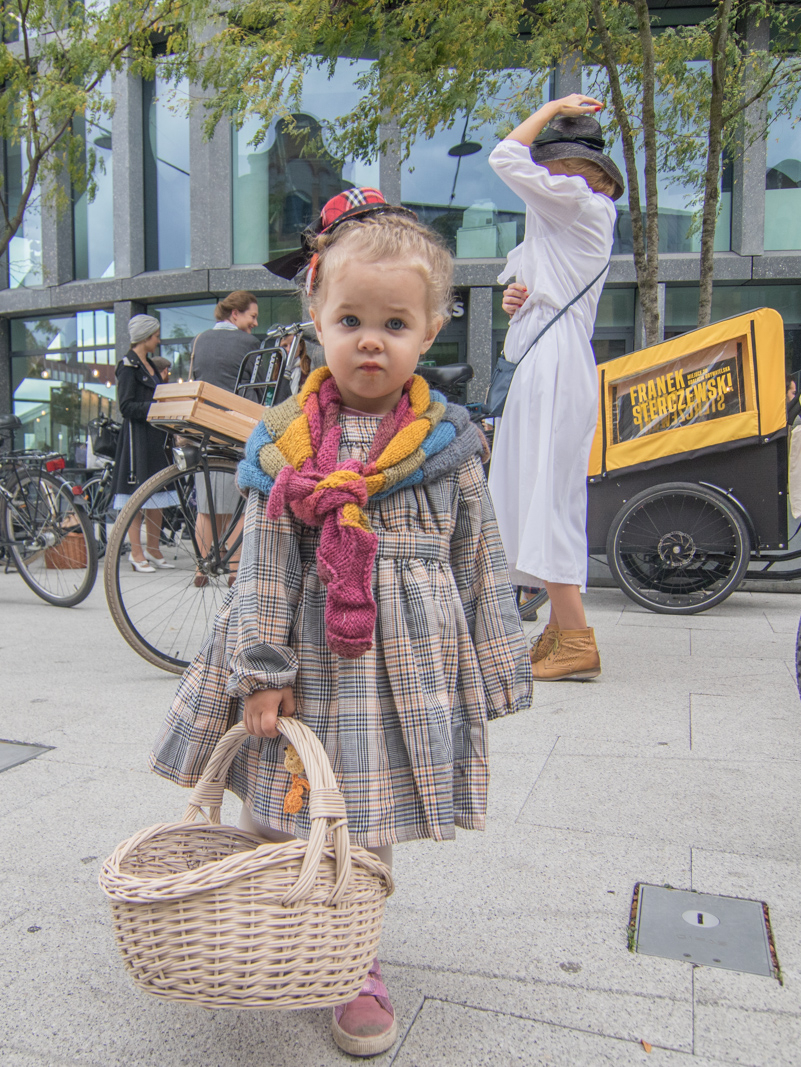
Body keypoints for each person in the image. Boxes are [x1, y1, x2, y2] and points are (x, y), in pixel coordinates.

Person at [150, 193, 532, 1057]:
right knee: (279, 802)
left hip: (402, 671)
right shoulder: (285, 442)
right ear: (316, 320)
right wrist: (262, 670)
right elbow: (264, 566)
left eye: (395, 323)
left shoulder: (449, 445)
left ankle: (354, 955)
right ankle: (263, 911)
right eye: (351, 320)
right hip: (306, 665)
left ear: (430, 330)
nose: (370, 341)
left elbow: (481, 558)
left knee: (369, 823)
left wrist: (498, 667)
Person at [487, 95, 621, 682]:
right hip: (546, 358)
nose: (543, 176)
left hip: (555, 365)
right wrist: (519, 300)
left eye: (553, 165)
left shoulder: (580, 203)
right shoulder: (565, 216)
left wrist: (548, 109)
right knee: (531, 490)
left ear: (576, 170)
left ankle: (577, 638)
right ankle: (562, 630)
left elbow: (503, 156)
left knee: (547, 495)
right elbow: (539, 292)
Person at [189, 292, 262, 565]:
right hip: (236, 428)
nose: (255, 322)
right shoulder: (249, 343)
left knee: (206, 504)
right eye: (252, 316)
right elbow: (260, 388)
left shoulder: (200, 339)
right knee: (239, 503)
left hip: (203, 426)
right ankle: (233, 569)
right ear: (235, 314)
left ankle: (201, 567)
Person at [112, 314, 176, 572]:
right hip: (137, 440)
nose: (158, 340)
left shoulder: (149, 364)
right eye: (156, 336)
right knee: (136, 497)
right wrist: (156, 407)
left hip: (156, 438)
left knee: (157, 494)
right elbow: (126, 406)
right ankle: (136, 552)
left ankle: (154, 549)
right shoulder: (128, 367)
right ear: (145, 337)